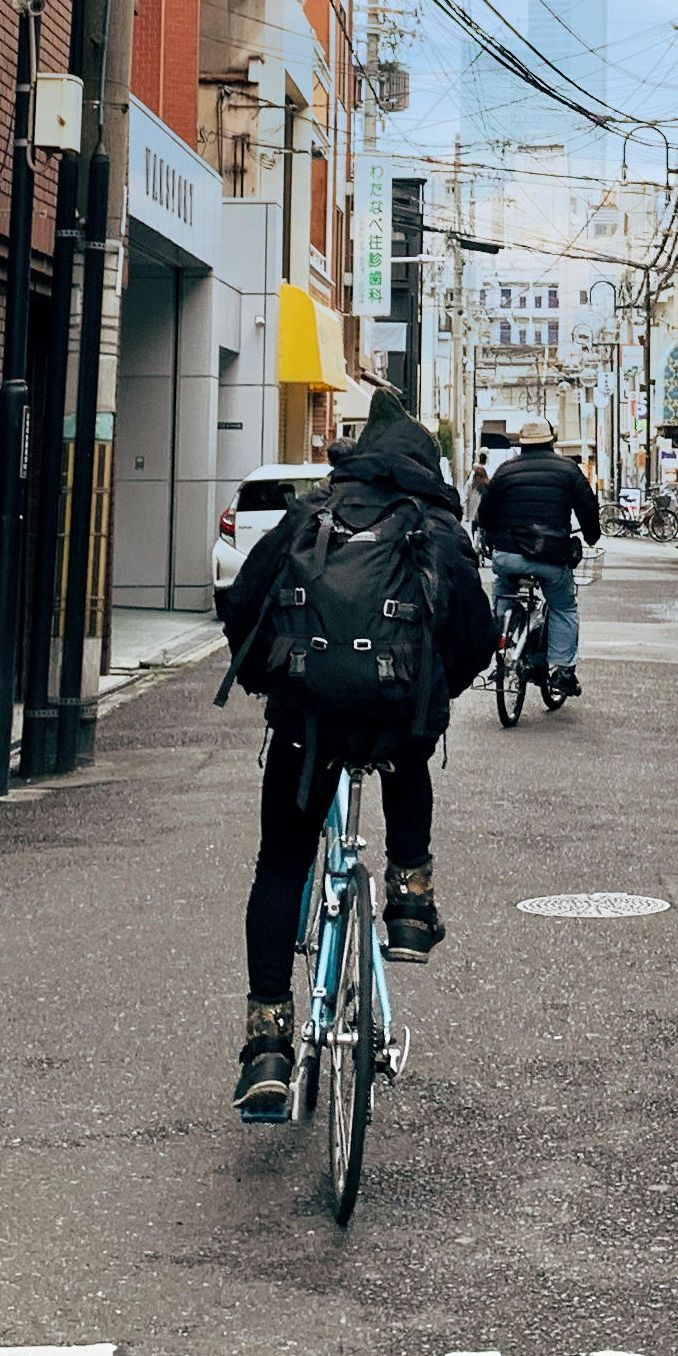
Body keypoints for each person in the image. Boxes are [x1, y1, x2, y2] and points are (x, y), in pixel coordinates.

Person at [217, 403, 496, 1122]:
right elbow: (474, 634)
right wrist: (433, 700)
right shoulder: (434, 527)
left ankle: (269, 1049)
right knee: (409, 755)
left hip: (307, 723)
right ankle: (407, 904)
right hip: (394, 719)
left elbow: (245, 603)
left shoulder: (311, 515)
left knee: (281, 863)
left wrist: (268, 685)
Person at [474, 418, 603, 697]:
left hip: (508, 555)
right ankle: (563, 671)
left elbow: (485, 513)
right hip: (551, 556)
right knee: (563, 606)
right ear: (551, 441)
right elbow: (588, 509)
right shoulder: (568, 469)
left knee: (504, 591)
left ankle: (505, 640)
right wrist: (591, 536)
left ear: (523, 444)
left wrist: (494, 540)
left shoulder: (506, 471)